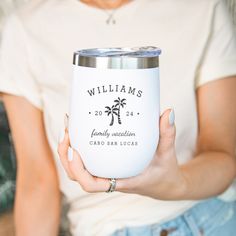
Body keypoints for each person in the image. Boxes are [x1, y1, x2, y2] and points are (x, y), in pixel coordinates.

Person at [0, 0, 236, 235]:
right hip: (105, 227)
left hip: (210, 215)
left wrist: (175, 183)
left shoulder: (201, 7)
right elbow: (37, 180)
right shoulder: (24, 29)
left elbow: (224, 158)